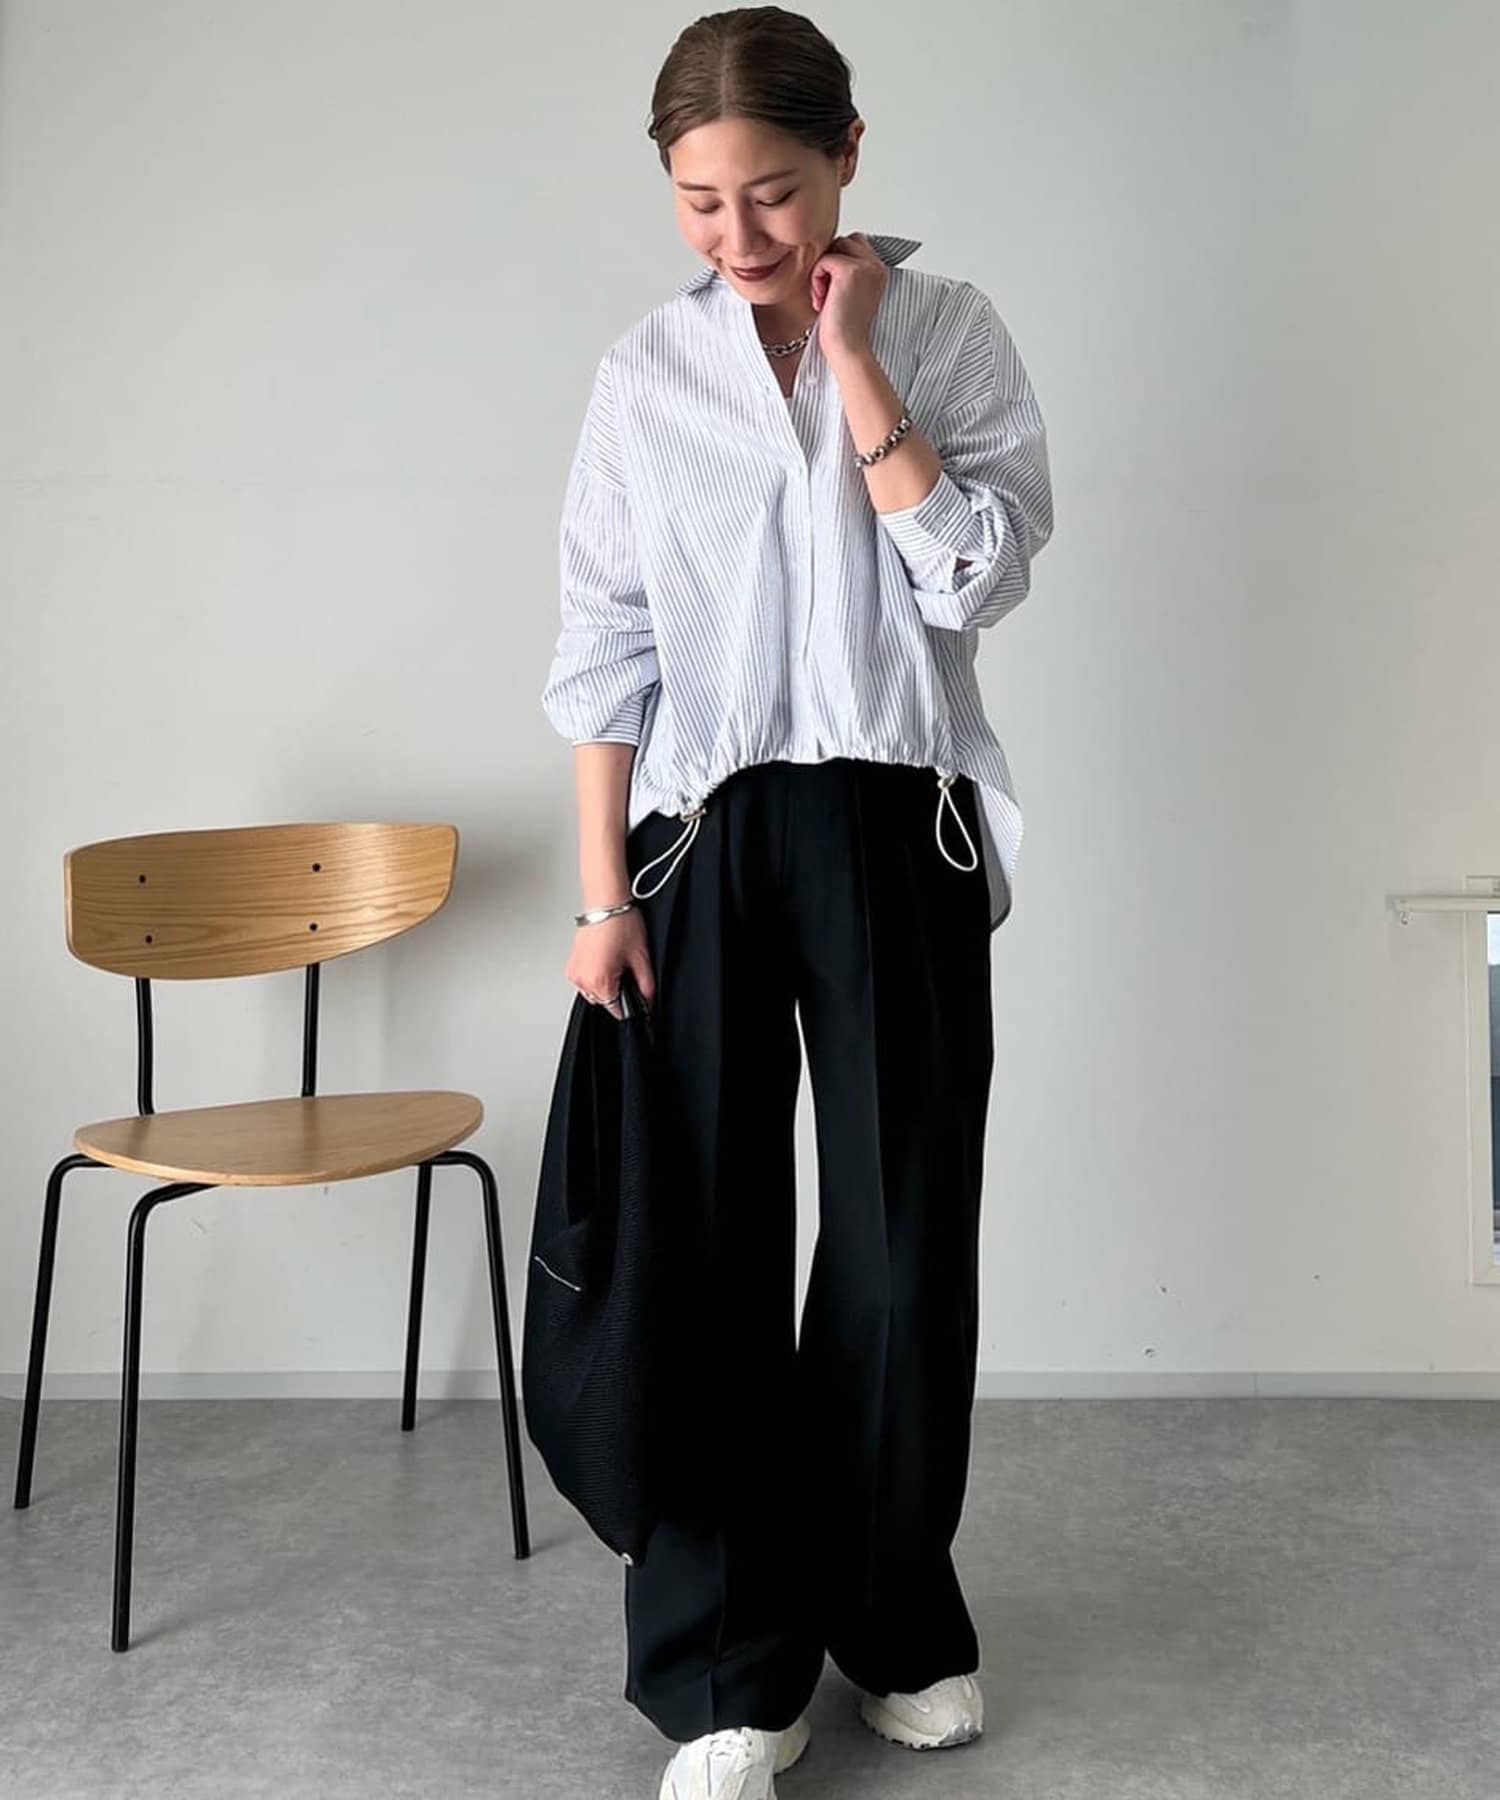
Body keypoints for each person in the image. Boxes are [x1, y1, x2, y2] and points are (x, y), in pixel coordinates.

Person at [539, 10, 1053, 1796]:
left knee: (903, 1242)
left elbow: (974, 577)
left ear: (847, 152)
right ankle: (725, 1671)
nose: (738, 232)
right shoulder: (643, 378)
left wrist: (854, 358)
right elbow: (603, 646)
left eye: (770, 190)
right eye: (700, 201)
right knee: (703, 1254)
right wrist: (599, 895)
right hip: (696, 837)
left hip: (895, 823)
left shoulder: (949, 332)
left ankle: (891, 1614)